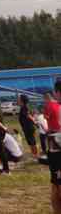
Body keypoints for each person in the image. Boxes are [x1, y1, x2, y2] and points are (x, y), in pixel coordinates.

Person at [47, 83, 61, 213]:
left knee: (57, 187)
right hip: (55, 153)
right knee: (55, 187)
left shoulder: (56, 107)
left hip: (57, 152)